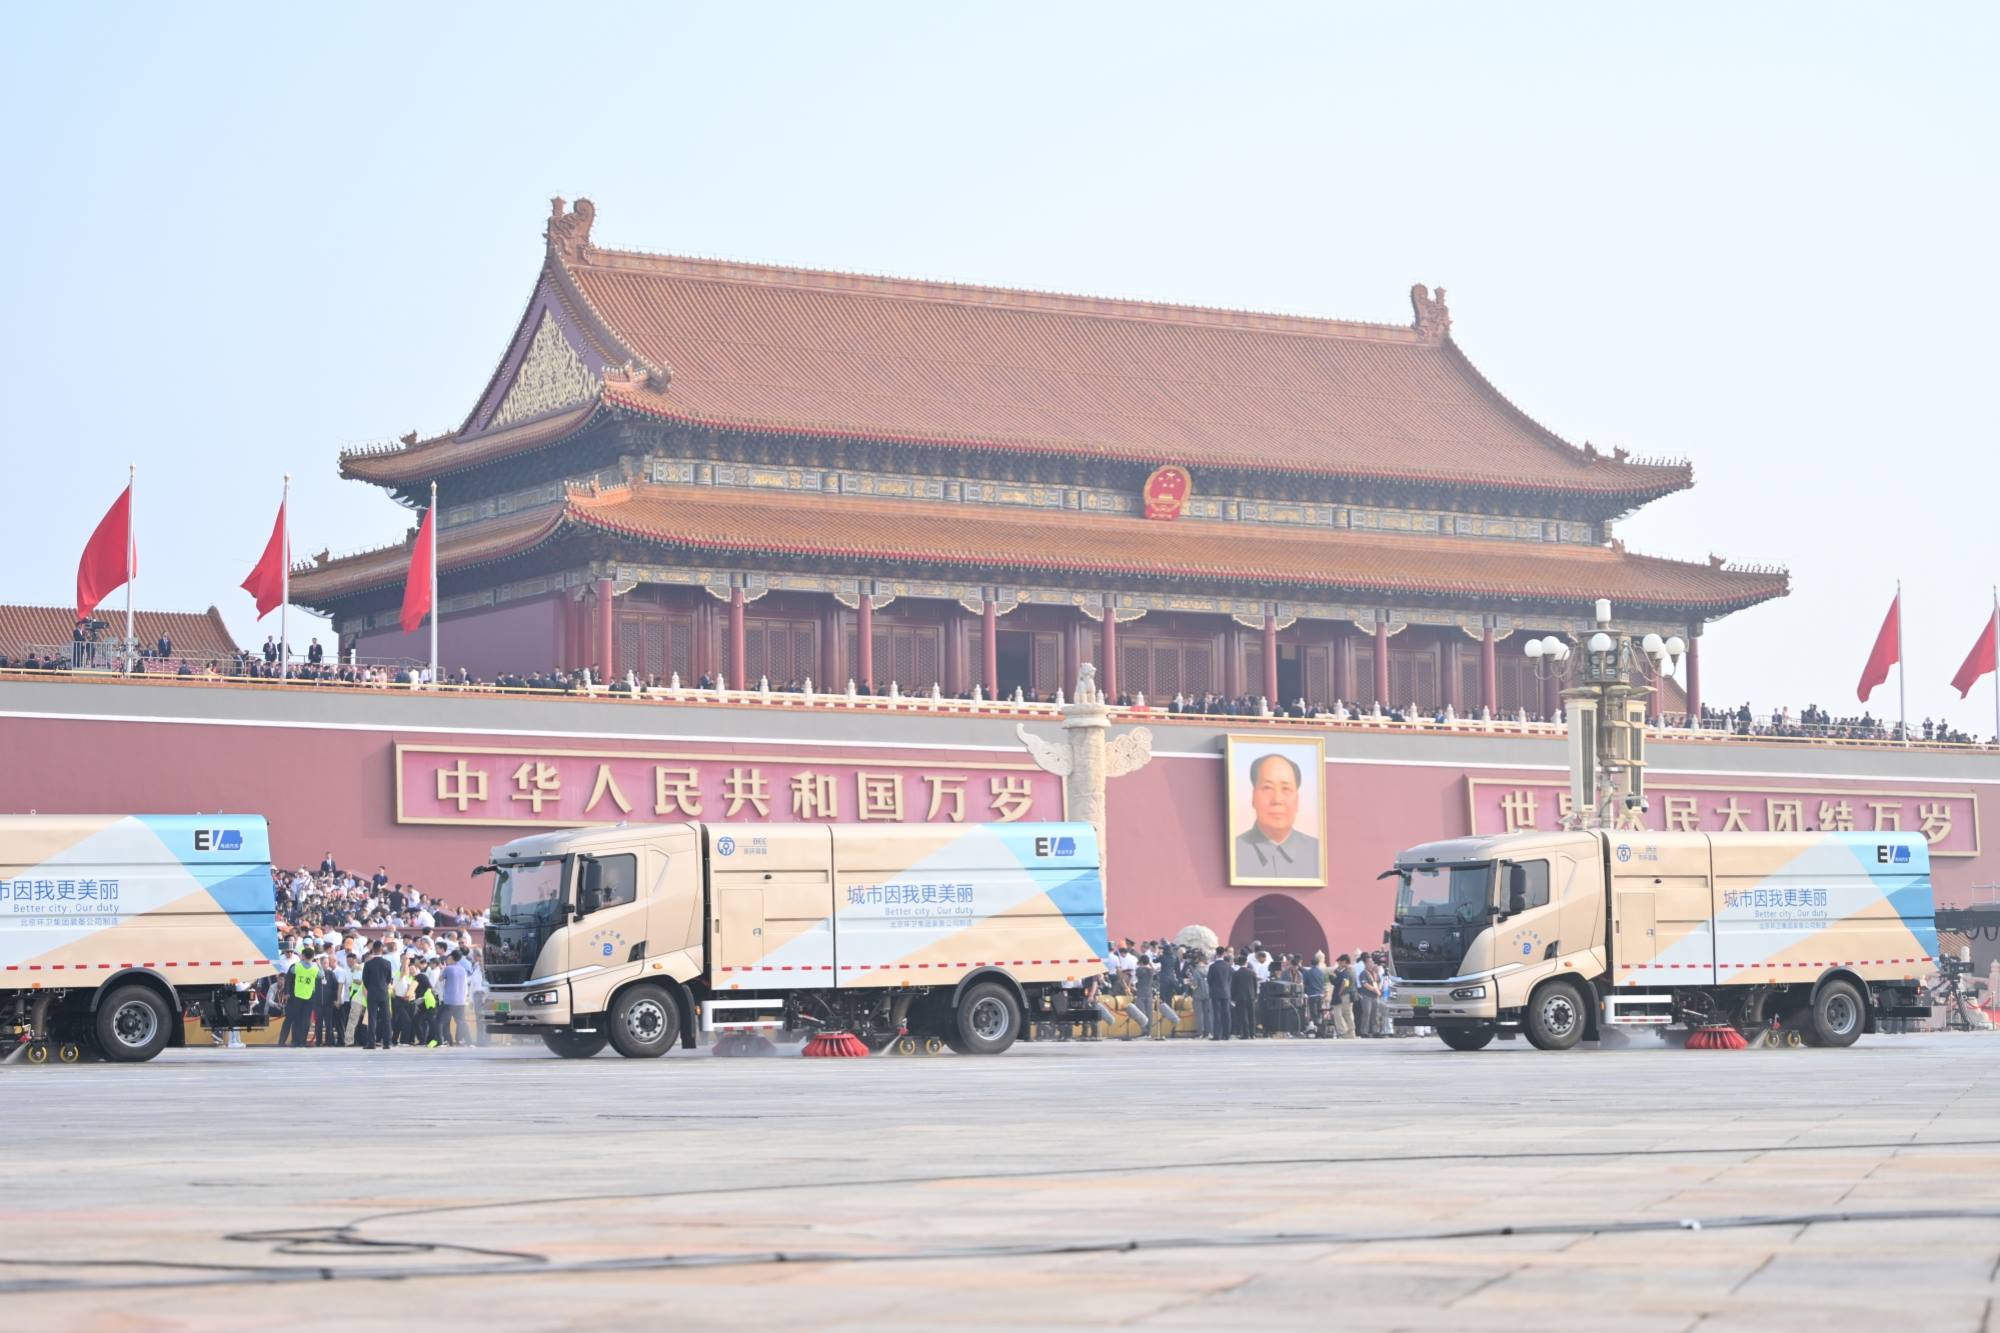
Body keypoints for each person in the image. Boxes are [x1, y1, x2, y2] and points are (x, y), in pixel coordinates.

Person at [1234, 753, 1322, 880]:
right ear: (1253, 797)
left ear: (1297, 800)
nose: (1277, 800)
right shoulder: (1233, 852)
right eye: (1267, 788)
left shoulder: (1319, 853)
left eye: (1286, 789)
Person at [361, 942, 394, 1050]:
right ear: (382, 949)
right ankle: (387, 1043)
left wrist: (371, 988)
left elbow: (365, 980)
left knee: (372, 1018)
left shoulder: (368, 964)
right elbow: (389, 979)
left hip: (372, 993)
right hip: (383, 992)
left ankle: (371, 1043)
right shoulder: (387, 963)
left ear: (373, 949)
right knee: (386, 1018)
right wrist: (383, 985)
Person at [285, 947, 321, 1047]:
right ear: (313, 956)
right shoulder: (315, 968)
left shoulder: (297, 966)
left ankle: (295, 1041)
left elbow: (289, 975)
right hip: (309, 996)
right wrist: (318, 965)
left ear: (303, 956)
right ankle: (302, 1041)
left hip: (297, 995)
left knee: (296, 1019)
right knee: (306, 1020)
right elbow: (321, 975)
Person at [439, 949, 472, 1046]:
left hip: (450, 1000)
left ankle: (447, 1041)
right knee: (461, 1021)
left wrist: (443, 969)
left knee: (442, 1021)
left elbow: (440, 979)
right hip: (461, 1000)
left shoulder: (448, 968)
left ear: (451, 957)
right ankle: (469, 1041)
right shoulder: (462, 969)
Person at [1206, 950, 1234, 1040]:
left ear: (1216, 954)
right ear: (1223, 954)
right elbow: (1231, 978)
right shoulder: (1228, 966)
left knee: (1217, 1014)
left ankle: (1217, 1035)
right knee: (1226, 1014)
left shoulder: (1213, 966)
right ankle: (1227, 1034)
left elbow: (1209, 980)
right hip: (1226, 992)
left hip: (1215, 992)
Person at [1231, 949, 1258, 1038]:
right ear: (1246, 962)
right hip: (1251, 997)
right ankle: (1253, 1034)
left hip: (1240, 998)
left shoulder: (1236, 974)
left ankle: (1246, 1034)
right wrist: (1255, 996)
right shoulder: (1252, 973)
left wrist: (1233, 998)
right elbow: (1255, 985)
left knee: (1243, 1016)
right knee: (1252, 1016)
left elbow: (1233, 987)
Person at [1329, 954, 1356, 1038]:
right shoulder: (1352, 970)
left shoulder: (1346, 971)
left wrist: (1339, 993)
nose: (1339, 964)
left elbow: (1345, 983)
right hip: (1350, 995)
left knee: (1339, 1015)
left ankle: (1343, 1033)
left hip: (1344, 995)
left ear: (1344, 961)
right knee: (1348, 1014)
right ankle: (1351, 1032)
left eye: (1340, 962)